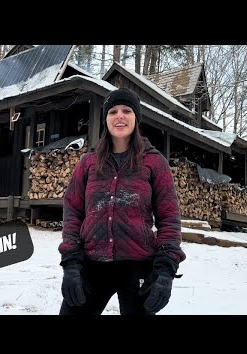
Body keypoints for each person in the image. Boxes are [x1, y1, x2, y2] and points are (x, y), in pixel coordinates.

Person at [58, 88, 186, 315]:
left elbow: (169, 218)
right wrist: (71, 264)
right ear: (106, 119)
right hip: (92, 263)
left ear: (136, 118)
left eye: (127, 110)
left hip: (138, 265)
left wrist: (165, 271)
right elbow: (73, 212)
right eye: (113, 111)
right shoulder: (88, 162)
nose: (120, 116)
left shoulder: (155, 162)